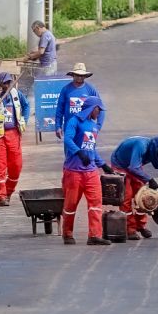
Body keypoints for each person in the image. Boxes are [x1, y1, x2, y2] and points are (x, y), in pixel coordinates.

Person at [62, 97, 113, 246]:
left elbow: (91, 148)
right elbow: (68, 139)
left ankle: (95, 235)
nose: (100, 112)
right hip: (73, 171)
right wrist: (78, 152)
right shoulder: (74, 121)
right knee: (71, 204)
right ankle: (67, 233)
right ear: (92, 108)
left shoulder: (94, 125)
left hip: (91, 171)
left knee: (96, 203)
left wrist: (102, 165)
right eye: (99, 109)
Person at [110, 135, 158, 241]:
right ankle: (130, 229)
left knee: (142, 197)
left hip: (134, 165)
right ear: (155, 147)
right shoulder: (141, 146)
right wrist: (150, 180)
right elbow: (133, 167)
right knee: (126, 197)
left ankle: (140, 226)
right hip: (120, 165)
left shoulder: (157, 153)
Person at [0, 71, 30, 206]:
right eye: (4, 83)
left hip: (13, 133)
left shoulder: (15, 93)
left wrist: (24, 120)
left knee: (16, 165)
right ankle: (1, 196)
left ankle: (8, 191)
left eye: (9, 82)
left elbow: (26, 106)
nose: (6, 85)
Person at [55, 62, 103, 140]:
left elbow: (100, 108)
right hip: (69, 128)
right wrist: (58, 126)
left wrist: (98, 126)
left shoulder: (91, 89)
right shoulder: (66, 89)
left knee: (85, 152)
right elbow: (59, 110)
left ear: (85, 76)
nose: (79, 77)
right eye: (77, 75)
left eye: (82, 75)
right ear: (73, 75)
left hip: (86, 129)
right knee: (70, 150)